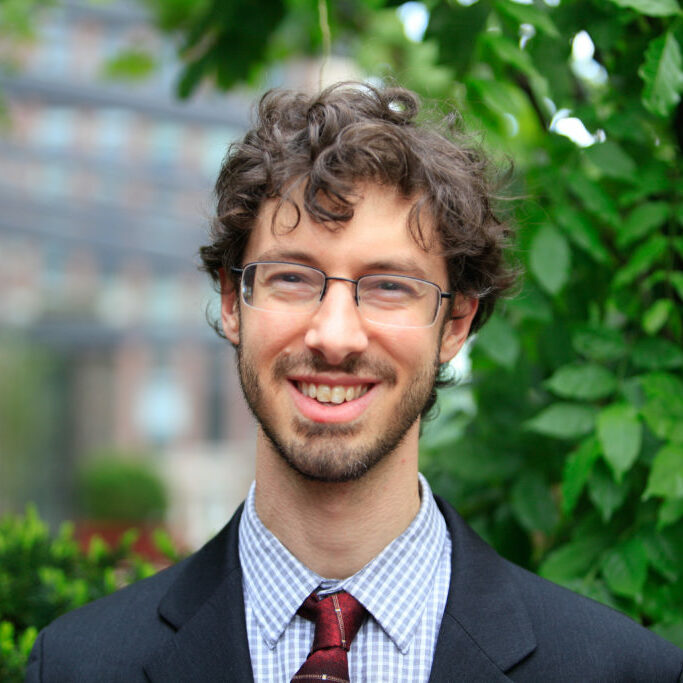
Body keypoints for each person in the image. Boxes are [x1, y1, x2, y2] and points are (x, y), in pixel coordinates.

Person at [27, 83, 682, 683]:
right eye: (291, 277)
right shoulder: (78, 664)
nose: (333, 335)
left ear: (455, 322)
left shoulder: (622, 671)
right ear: (232, 301)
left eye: (389, 286)